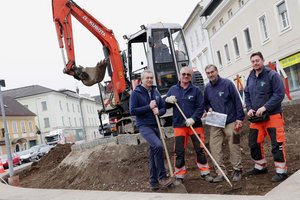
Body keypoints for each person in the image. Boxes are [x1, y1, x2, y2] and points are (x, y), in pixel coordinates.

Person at [165, 66, 213, 183]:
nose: (186, 76)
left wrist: (193, 118)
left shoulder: (196, 90)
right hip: (179, 125)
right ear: (180, 75)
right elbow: (165, 105)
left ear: (191, 76)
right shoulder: (173, 89)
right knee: (179, 151)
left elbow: (200, 107)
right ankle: (179, 175)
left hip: (195, 125)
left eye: (188, 74)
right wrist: (167, 100)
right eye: (184, 74)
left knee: (200, 149)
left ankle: (205, 172)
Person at [244, 52, 288, 182]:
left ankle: (281, 171)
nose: (255, 63)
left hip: (272, 116)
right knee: (254, 142)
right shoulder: (250, 77)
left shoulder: (272, 75)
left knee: (277, 143)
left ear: (262, 60)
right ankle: (260, 166)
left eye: (257, 60)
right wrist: (249, 108)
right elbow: (246, 94)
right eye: (253, 61)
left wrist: (265, 107)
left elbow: (280, 94)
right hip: (256, 119)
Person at [129, 69, 174, 191]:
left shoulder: (155, 91)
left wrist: (159, 111)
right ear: (142, 80)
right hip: (144, 126)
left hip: (156, 124)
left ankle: (153, 181)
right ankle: (162, 177)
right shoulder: (136, 93)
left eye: (151, 77)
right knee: (158, 146)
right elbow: (132, 111)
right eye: (147, 78)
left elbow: (163, 107)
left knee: (154, 152)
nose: (149, 80)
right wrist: (148, 107)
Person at [203, 64, 245, 182]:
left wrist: (240, 118)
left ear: (217, 71)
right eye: (208, 73)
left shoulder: (227, 84)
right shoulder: (207, 88)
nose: (211, 75)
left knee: (235, 143)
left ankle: (237, 169)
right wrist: (208, 109)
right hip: (216, 122)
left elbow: (237, 101)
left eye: (212, 72)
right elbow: (205, 103)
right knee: (214, 146)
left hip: (232, 121)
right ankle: (220, 172)